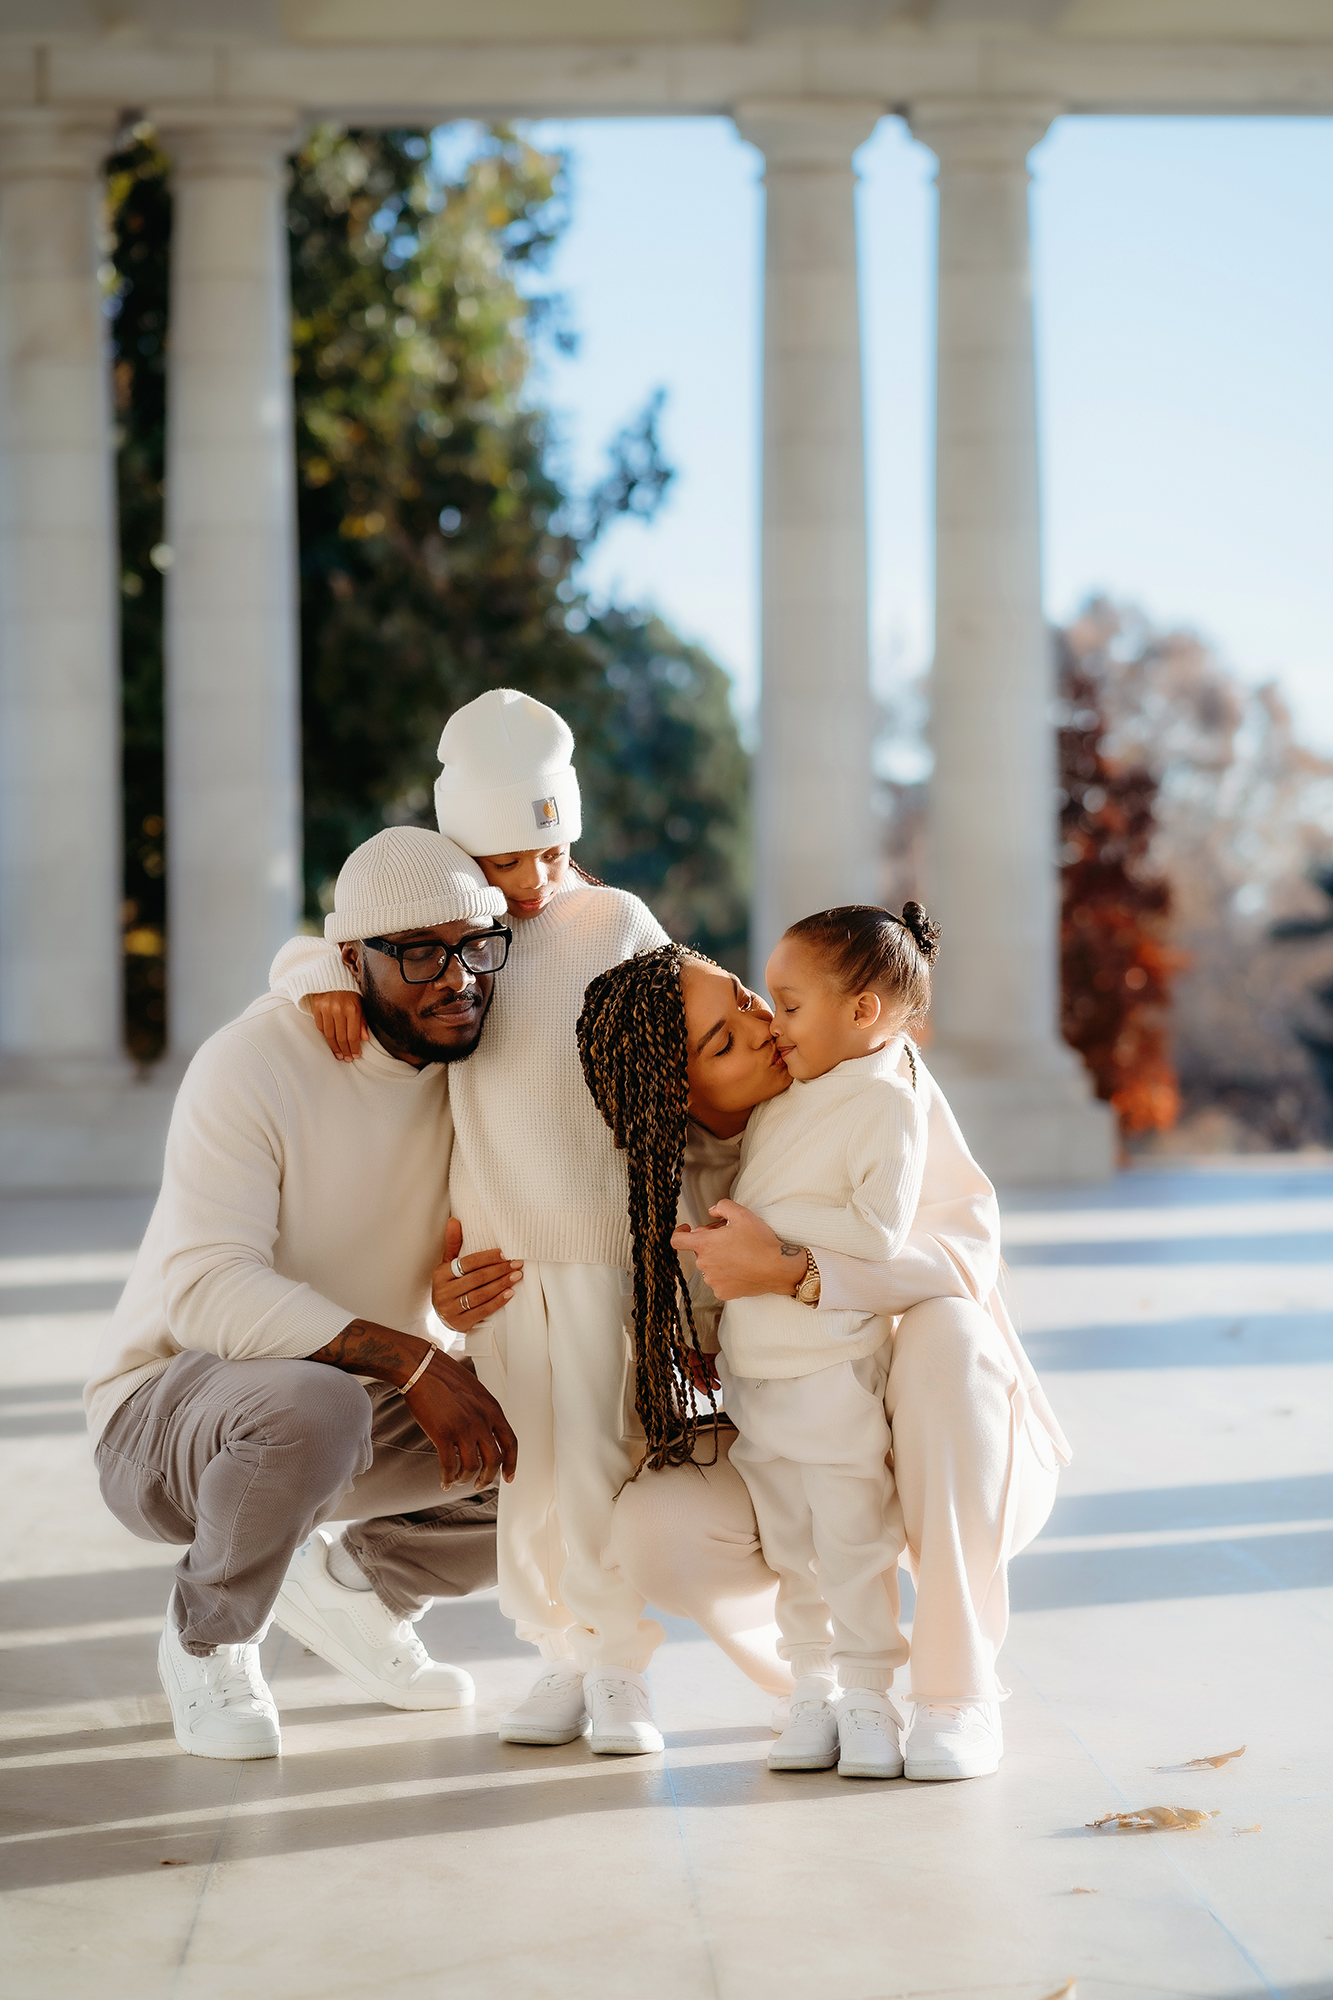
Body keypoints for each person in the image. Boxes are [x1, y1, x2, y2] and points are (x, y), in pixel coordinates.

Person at [269, 688, 675, 1757]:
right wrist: (317, 979)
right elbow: (315, 949)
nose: (530, 883)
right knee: (529, 1473)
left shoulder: (618, 922)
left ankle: (619, 1665)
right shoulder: (453, 935)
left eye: (548, 853)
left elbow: (680, 1069)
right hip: (496, 1262)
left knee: (602, 1459)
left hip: (601, 1247)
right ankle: (556, 1650)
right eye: (500, 864)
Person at [575, 942, 1070, 1782]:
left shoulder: (873, 1074)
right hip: (798, 1434)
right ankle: (816, 1684)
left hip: (949, 1446)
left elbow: (963, 1254)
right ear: (675, 1088)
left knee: (950, 1329)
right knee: (653, 1526)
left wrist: (794, 1273)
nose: (764, 1027)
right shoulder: (655, 1183)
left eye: (744, 998)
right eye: (724, 1043)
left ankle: (956, 1691)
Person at [83, 829, 519, 1760]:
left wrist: (452, 1309)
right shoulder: (254, 1061)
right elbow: (206, 1290)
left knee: (560, 1413)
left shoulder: (472, 1067)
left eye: (476, 946)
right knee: (310, 1401)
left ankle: (361, 1593)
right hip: (164, 1420)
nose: (458, 977)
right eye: (418, 953)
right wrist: (414, 1357)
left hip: (349, 1417)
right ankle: (208, 1637)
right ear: (353, 959)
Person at [710, 905, 936, 1780]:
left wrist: (765, 1233)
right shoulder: (795, 1088)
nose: (773, 1022)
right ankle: (809, 1688)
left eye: (789, 1003)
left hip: (830, 1368)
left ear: (863, 1013)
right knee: (790, 1546)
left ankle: (871, 1696)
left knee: (852, 1540)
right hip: (756, 1369)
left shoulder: (884, 1101)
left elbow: (877, 1234)